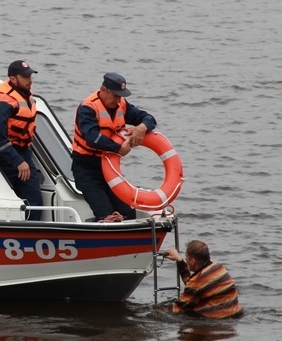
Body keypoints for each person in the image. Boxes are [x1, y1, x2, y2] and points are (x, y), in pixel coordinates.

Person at [71, 72, 157, 222]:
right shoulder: (88, 108)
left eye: (120, 96)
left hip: (110, 168)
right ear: (103, 90)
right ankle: (91, 234)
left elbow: (149, 118)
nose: (118, 100)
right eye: (115, 96)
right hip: (87, 169)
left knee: (128, 214)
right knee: (107, 216)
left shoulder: (121, 104)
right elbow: (92, 138)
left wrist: (142, 127)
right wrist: (118, 149)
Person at [0, 60, 42, 221]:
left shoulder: (26, 95)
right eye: (25, 77)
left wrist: (23, 159)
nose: (29, 80)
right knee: (4, 202)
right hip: (5, 154)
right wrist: (18, 161)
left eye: (30, 76)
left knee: (35, 201)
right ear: (13, 78)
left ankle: (32, 237)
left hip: (24, 152)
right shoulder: (3, 100)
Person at [161, 240, 242, 319]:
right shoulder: (219, 267)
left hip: (217, 320)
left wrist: (157, 310)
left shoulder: (197, 281)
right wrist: (179, 260)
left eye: (186, 258)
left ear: (192, 261)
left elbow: (179, 307)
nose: (186, 260)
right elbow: (195, 286)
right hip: (235, 314)